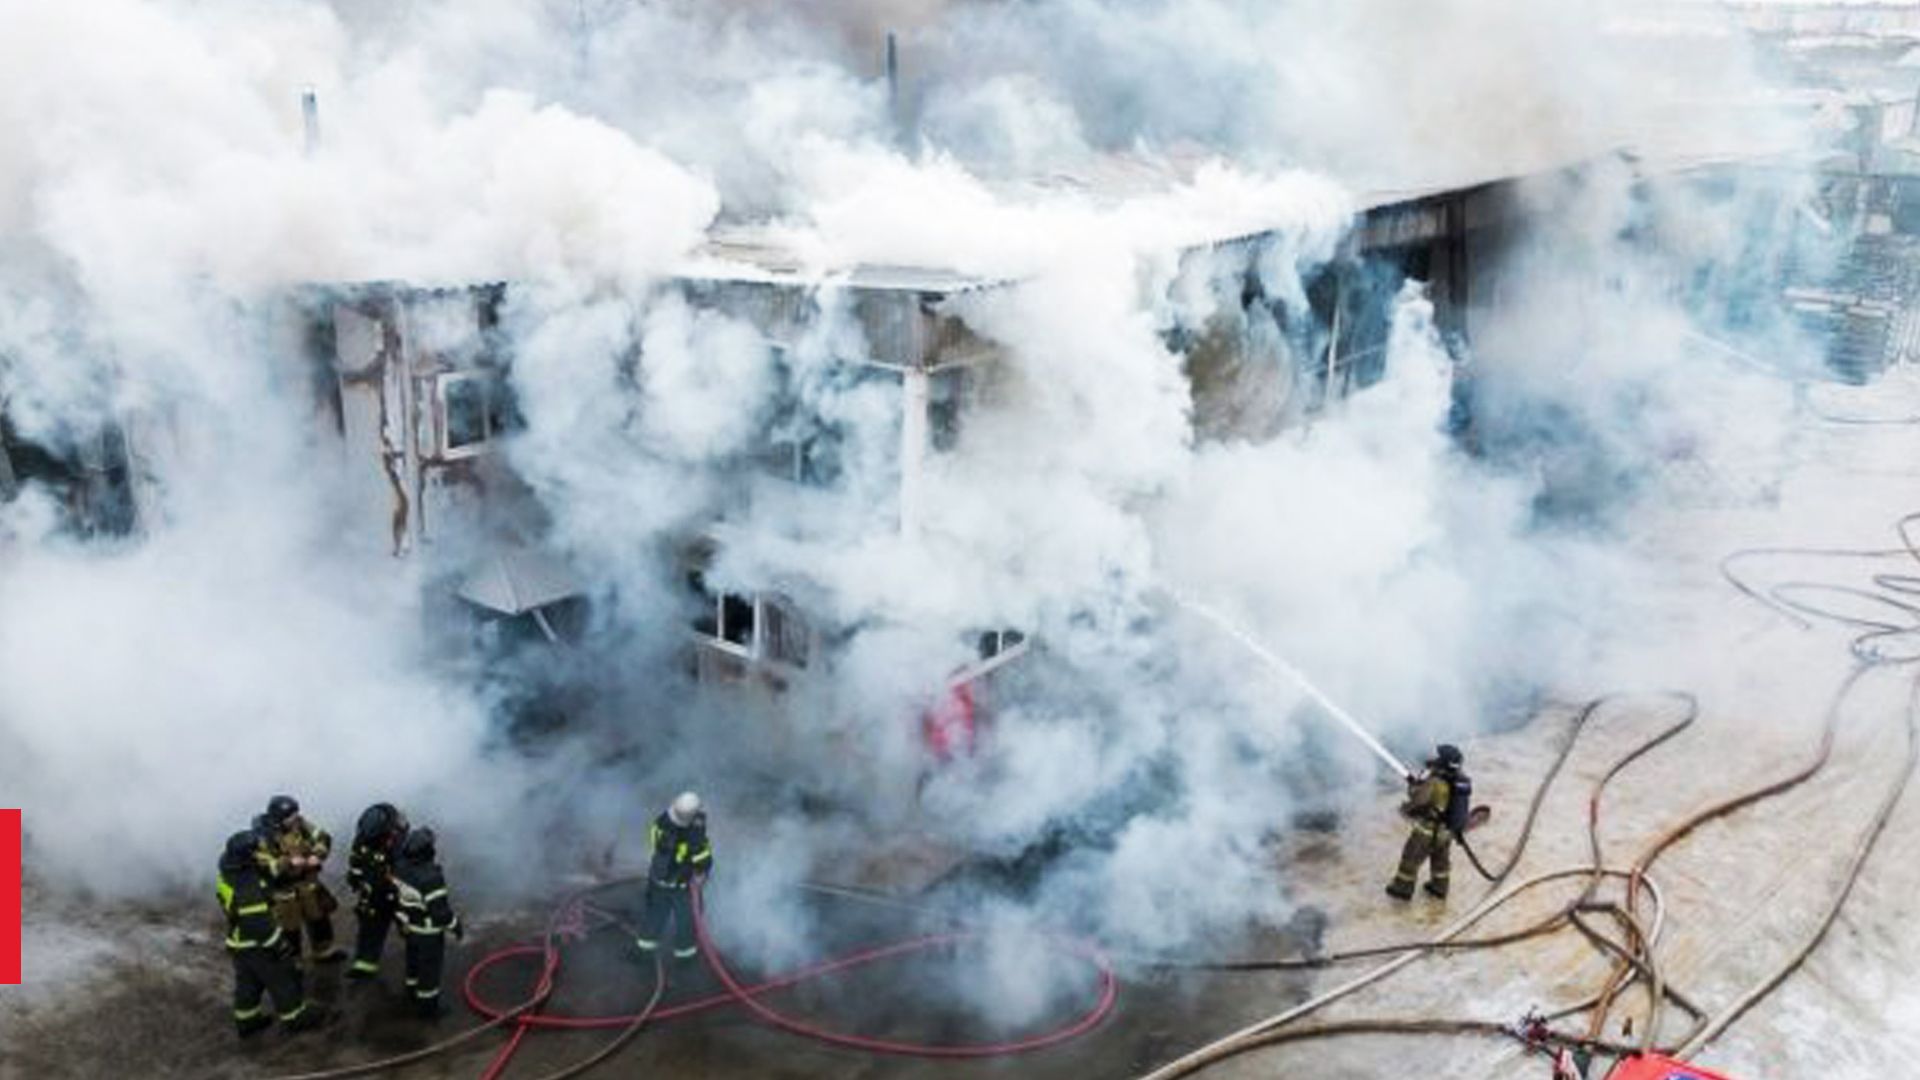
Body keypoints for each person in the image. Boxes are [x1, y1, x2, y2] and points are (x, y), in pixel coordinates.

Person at [218, 830, 317, 1037]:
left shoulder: (230, 871)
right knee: (282, 977)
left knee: (248, 984)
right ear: (247, 856)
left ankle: (247, 1020)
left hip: (239, 942)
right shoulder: (247, 886)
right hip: (258, 944)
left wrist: (288, 863)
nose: (260, 852)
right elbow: (258, 923)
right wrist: (278, 944)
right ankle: (295, 1017)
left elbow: (267, 866)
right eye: (256, 850)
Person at [253, 795, 346, 963]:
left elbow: (322, 837)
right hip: (284, 891)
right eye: (291, 816)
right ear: (279, 818)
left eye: (296, 813)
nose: (296, 818)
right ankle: (293, 963)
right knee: (290, 928)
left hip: (308, 883)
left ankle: (323, 952)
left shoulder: (300, 824)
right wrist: (288, 862)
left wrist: (318, 854)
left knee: (319, 918)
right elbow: (264, 865)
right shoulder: (263, 836)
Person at [634, 791, 713, 962]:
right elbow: (702, 860)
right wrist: (701, 872)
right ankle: (685, 958)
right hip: (681, 887)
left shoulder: (661, 822)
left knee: (655, 916)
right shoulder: (694, 838)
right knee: (686, 921)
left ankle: (643, 953)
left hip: (658, 881)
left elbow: (655, 843)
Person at [392, 826, 462, 1016]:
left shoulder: (400, 868)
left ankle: (411, 990)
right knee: (429, 969)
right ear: (428, 851)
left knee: (413, 961)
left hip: (409, 928)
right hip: (428, 933)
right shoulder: (431, 878)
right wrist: (456, 926)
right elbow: (440, 913)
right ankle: (428, 1007)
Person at [1386, 744, 1466, 901]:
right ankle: (1439, 887)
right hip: (1445, 832)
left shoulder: (1435, 782)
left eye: (1439, 757)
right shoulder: (1458, 780)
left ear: (1443, 762)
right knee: (1441, 862)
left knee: (1410, 859)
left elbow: (1419, 800)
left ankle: (1402, 888)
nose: (1436, 758)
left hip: (1427, 832)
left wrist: (1411, 796)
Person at [344, 802, 409, 981]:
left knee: (411, 929)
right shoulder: (363, 837)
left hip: (397, 895)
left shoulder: (400, 842)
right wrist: (355, 878)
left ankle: (418, 969)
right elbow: (356, 861)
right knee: (370, 928)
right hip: (373, 895)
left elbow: (407, 871)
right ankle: (365, 964)